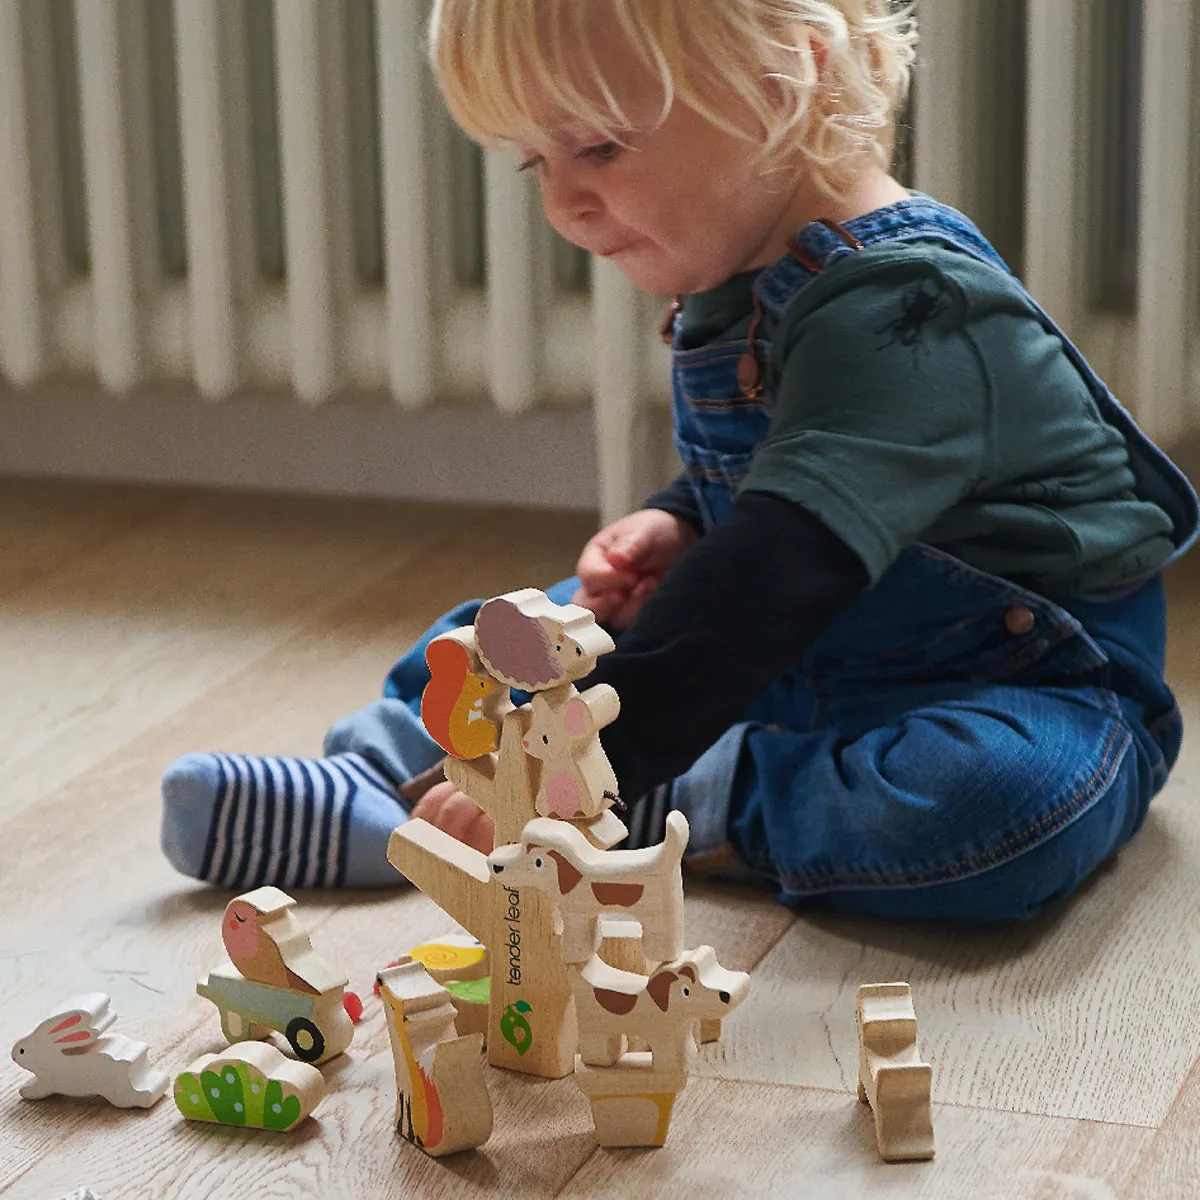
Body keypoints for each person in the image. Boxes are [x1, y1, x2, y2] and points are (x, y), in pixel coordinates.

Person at [161, 0, 1197, 920]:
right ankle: (381, 772)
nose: (562, 202)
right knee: (512, 633)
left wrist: (594, 767)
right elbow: (779, 490)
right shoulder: (742, 271)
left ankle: (662, 800)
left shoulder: (911, 308)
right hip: (790, 656)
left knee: (999, 807)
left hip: (1006, 685)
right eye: (537, 162)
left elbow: (782, 564)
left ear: (782, 80)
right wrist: (683, 522)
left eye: (600, 147)